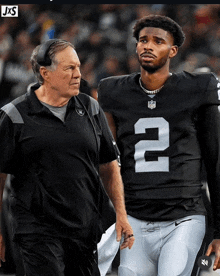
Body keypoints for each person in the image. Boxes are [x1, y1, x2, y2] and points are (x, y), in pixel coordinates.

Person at [0, 38, 134, 276]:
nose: (78, 75)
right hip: (36, 230)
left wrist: (121, 215)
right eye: (69, 68)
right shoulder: (14, 116)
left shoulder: (91, 108)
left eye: (79, 67)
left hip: (83, 228)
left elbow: (109, 166)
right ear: (45, 73)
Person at [98, 15, 220, 276]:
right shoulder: (113, 91)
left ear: (173, 50)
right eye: (143, 40)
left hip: (184, 217)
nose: (148, 46)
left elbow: (215, 160)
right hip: (135, 218)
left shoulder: (198, 87)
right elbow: (107, 161)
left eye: (158, 41)